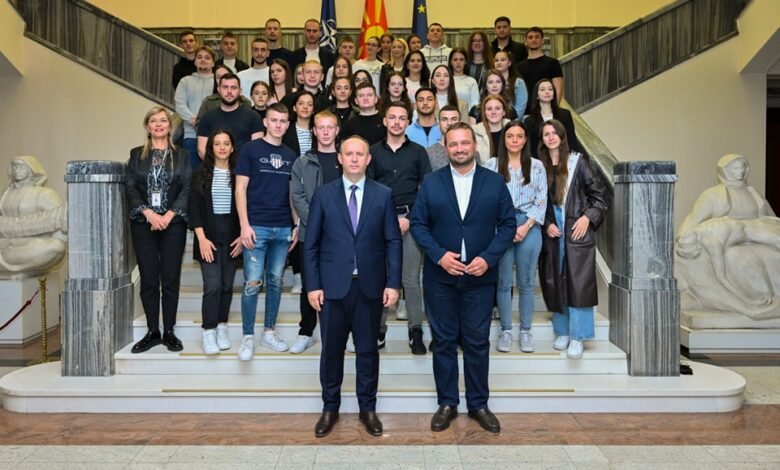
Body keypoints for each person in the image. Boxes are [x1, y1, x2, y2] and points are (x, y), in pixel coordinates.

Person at [410, 121, 515, 433]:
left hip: (480, 276)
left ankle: (478, 404)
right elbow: (418, 224)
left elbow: (508, 225)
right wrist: (439, 255)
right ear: (446, 148)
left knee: (477, 341)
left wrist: (488, 258)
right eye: (453, 144)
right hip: (440, 277)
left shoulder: (494, 182)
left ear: (474, 145)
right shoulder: (431, 183)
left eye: (464, 143)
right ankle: (447, 403)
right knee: (443, 342)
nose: (459, 149)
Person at [305, 135, 402, 438]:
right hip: (332, 289)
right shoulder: (323, 195)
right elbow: (311, 244)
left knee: (368, 352)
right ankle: (330, 408)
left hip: (370, 288)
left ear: (368, 159)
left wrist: (393, 283)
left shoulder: (383, 195)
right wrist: (312, 286)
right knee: (331, 352)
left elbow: (393, 241)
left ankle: (367, 409)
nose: (355, 159)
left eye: (360, 154)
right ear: (340, 158)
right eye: (349, 154)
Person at [537, 119, 608, 359]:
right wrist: (546, 224)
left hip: (576, 225)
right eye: (546, 134)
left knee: (578, 283)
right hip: (553, 228)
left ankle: (578, 336)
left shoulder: (578, 162)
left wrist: (587, 218)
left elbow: (599, 197)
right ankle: (562, 331)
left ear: (562, 135)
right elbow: (536, 201)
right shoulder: (539, 166)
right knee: (554, 280)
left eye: (554, 133)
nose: (550, 137)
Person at [235, 103, 299, 359]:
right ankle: (248, 336)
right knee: (252, 283)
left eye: (283, 121)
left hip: (282, 227)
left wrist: (296, 224)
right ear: (265, 122)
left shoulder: (291, 155)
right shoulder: (250, 150)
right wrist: (244, 225)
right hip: (256, 227)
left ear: (288, 124)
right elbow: (240, 188)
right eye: (274, 120)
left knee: (275, 281)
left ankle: (269, 332)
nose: (278, 125)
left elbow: (293, 194)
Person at [126, 107, 192, 354]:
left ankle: (169, 331)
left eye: (163, 120)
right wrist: (150, 214)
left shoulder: (182, 155)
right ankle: (153, 331)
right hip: (144, 224)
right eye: (153, 121)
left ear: (169, 126)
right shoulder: (136, 155)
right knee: (149, 279)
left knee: (171, 279)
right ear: (147, 126)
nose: (159, 124)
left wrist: (168, 216)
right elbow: (130, 187)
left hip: (173, 225)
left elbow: (187, 188)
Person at [368, 102, 432, 354]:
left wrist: (410, 219)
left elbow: (426, 190)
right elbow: (367, 188)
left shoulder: (418, 152)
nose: (396, 122)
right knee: (381, 277)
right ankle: (378, 329)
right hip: (379, 221)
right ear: (385, 121)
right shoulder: (373, 151)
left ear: (408, 122)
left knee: (410, 280)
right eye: (392, 117)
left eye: (401, 118)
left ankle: (416, 330)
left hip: (410, 220)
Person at [484, 120, 547, 353]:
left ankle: (526, 331)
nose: (514, 140)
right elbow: (486, 198)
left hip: (529, 225)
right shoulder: (491, 165)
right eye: (510, 136)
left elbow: (542, 200)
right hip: (501, 227)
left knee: (527, 283)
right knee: (503, 283)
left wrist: (525, 226)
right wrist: (507, 228)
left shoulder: (537, 166)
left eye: (519, 136)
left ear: (525, 139)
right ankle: (506, 331)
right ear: (504, 139)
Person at [290, 111, 343, 354]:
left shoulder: (345, 159)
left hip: (342, 235)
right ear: (314, 130)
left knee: (340, 283)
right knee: (309, 284)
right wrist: (318, 222)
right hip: (310, 234)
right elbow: (297, 196)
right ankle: (306, 332)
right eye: (321, 127)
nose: (325, 131)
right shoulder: (303, 162)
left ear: (337, 130)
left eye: (330, 127)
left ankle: (341, 332)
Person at [188, 130, 242, 354]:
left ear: (232, 147)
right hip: (207, 235)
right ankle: (208, 331)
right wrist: (201, 239)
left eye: (226, 143)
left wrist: (242, 235)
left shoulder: (239, 174)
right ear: (210, 148)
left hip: (232, 235)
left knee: (227, 285)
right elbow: (193, 209)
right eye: (217, 144)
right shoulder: (199, 174)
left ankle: (221, 326)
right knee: (212, 285)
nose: (222, 147)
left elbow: (246, 207)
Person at [0, 156, 66, 278]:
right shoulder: (4, 194)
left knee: (56, 247)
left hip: (31, 244)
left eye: (21, 167)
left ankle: (16, 265)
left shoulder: (45, 194)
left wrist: (58, 242)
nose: (16, 170)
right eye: (14, 167)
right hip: (5, 243)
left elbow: (61, 223)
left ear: (31, 170)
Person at [197, 73, 264, 160]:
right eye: (225, 87)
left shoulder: (254, 117)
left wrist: (242, 167)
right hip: (215, 167)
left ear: (240, 91)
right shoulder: (207, 118)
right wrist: (220, 165)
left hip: (245, 167)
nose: (229, 91)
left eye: (233, 87)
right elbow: (202, 150)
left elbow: (257, 149)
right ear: (219, 90)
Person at [175, 46, 215, 168]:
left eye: (207, 58)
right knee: (191, 174)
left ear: (213, 63)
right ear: (195, 61)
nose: (203, 60)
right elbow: (180, 105)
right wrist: (196, 122)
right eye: (200, 57)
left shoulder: (219, 82)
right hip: (191, 136)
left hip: (215, 137)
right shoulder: (185, 81)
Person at [524, 78, 582, 158]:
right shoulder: (529, 121)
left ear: (553, 94)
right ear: (537, 95)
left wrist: (573, 159)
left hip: (564, 158)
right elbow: (531, 148)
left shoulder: (565, 114)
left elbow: (571, 140)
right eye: (542, 90)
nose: (547, 92)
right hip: (542, 160)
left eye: (550, 89)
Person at [517, 27, 564, 113]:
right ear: (526, 42)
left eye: (537, 37)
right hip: (526, 112)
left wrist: (554, 110)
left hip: (547, 110)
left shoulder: (553, 63)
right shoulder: (519, 67)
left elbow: (558, 89)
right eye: (530, 37)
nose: (534, 40)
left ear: (542, 41)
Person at [473, 94, 510, 164]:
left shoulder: (513, 130)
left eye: (497, 108)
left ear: (504, 112)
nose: (493, 112)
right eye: (489, 109)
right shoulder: (474, 133)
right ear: (484, 113)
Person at [425, 105, 461, 172]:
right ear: (438, 124)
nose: (449, 123)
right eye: (444, 119)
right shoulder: (428, 152)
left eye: (453, 119)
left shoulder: (470, 151)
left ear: (460, 123)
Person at [493, 50, 527, 120]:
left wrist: (509, 122)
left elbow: (520, 108)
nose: (499, 62)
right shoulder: (490, 81)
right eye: (496, 60)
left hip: (513, 122)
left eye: (503, 60)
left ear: (509, 63)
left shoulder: (518, 82)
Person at [282, 91, 315, 156]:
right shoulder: (286, 129)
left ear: (313, 110)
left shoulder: (318, 131)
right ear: (294, 108)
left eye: (310, 104)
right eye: (301, 103)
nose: (305, 107)